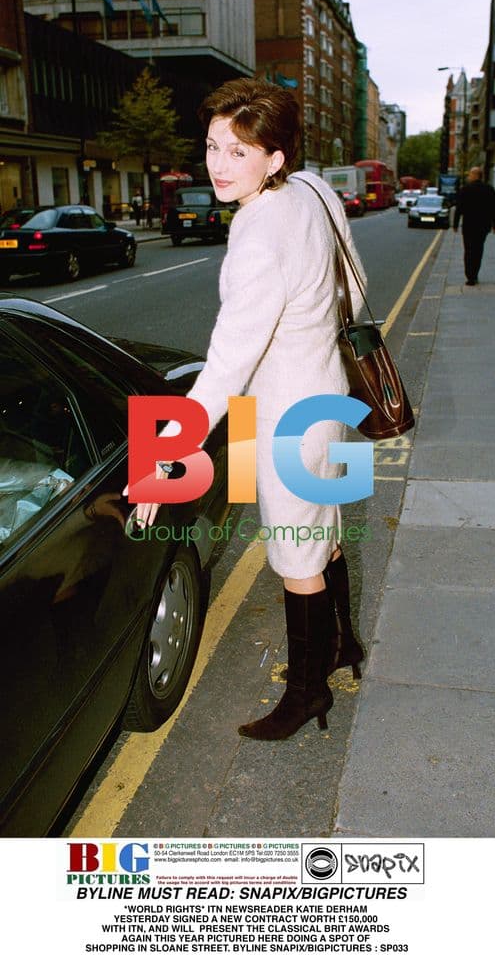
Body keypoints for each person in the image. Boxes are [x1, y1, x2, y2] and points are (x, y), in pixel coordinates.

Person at [131, 78, 367, 741]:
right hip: (327, 396)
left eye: (239, 151)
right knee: (325, 530)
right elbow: (356, 285)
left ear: (275, 156)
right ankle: (343, 645)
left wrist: (159, 463)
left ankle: (308, 691)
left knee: (296, 558)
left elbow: (226, 367)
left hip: (286, 417)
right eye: (212, 146)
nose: (218, 164)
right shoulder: (315, 189)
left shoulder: (259, 236)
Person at [453, 166, 495, 285]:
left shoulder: (465, 189)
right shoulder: (489, 189)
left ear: (475, 175)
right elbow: (494, 209)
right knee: (478, 250)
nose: (468, 177)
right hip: (483, 226)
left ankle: (470, 276)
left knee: (468, 250)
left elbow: (459, 208)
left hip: (468, 225)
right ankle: (475, 274)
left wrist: (455, 224)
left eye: (470, 175)